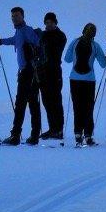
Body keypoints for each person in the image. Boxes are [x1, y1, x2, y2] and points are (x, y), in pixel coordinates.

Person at [0, 7, 43, 145]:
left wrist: (33, 57)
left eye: (17, 15)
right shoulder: (20, 31)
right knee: (32, 103)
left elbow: (38, 44)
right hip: (29, 71)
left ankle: (15, 136)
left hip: (28, 72)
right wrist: (0, 40)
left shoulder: (27, 30)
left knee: (21, 103)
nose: (14, 18)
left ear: (23, 16)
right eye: (13, 16)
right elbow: (14, 40)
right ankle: (34, 136)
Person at [63, 23, 106, 146]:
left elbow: (67, 59)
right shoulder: (95, 45)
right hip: (89, 80)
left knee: (77, 107)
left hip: (74, 79)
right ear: (94, 34)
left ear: (83, 31)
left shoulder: (75, 42)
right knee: (88, 108)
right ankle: (88, 135)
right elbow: (104, 64)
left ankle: (78, 134)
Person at [37, 12, 67, 142]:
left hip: (54, 72)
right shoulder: (44, 35)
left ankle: (58, 130)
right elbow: (39, 50)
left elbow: (54, 50)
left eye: (50, 22)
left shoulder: (60, 35)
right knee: (46, 101)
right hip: (43, 72)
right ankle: (52, 128)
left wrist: (42, 35)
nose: (48, 25)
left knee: (56, 100)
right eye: (46, 23)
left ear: (55, 23)